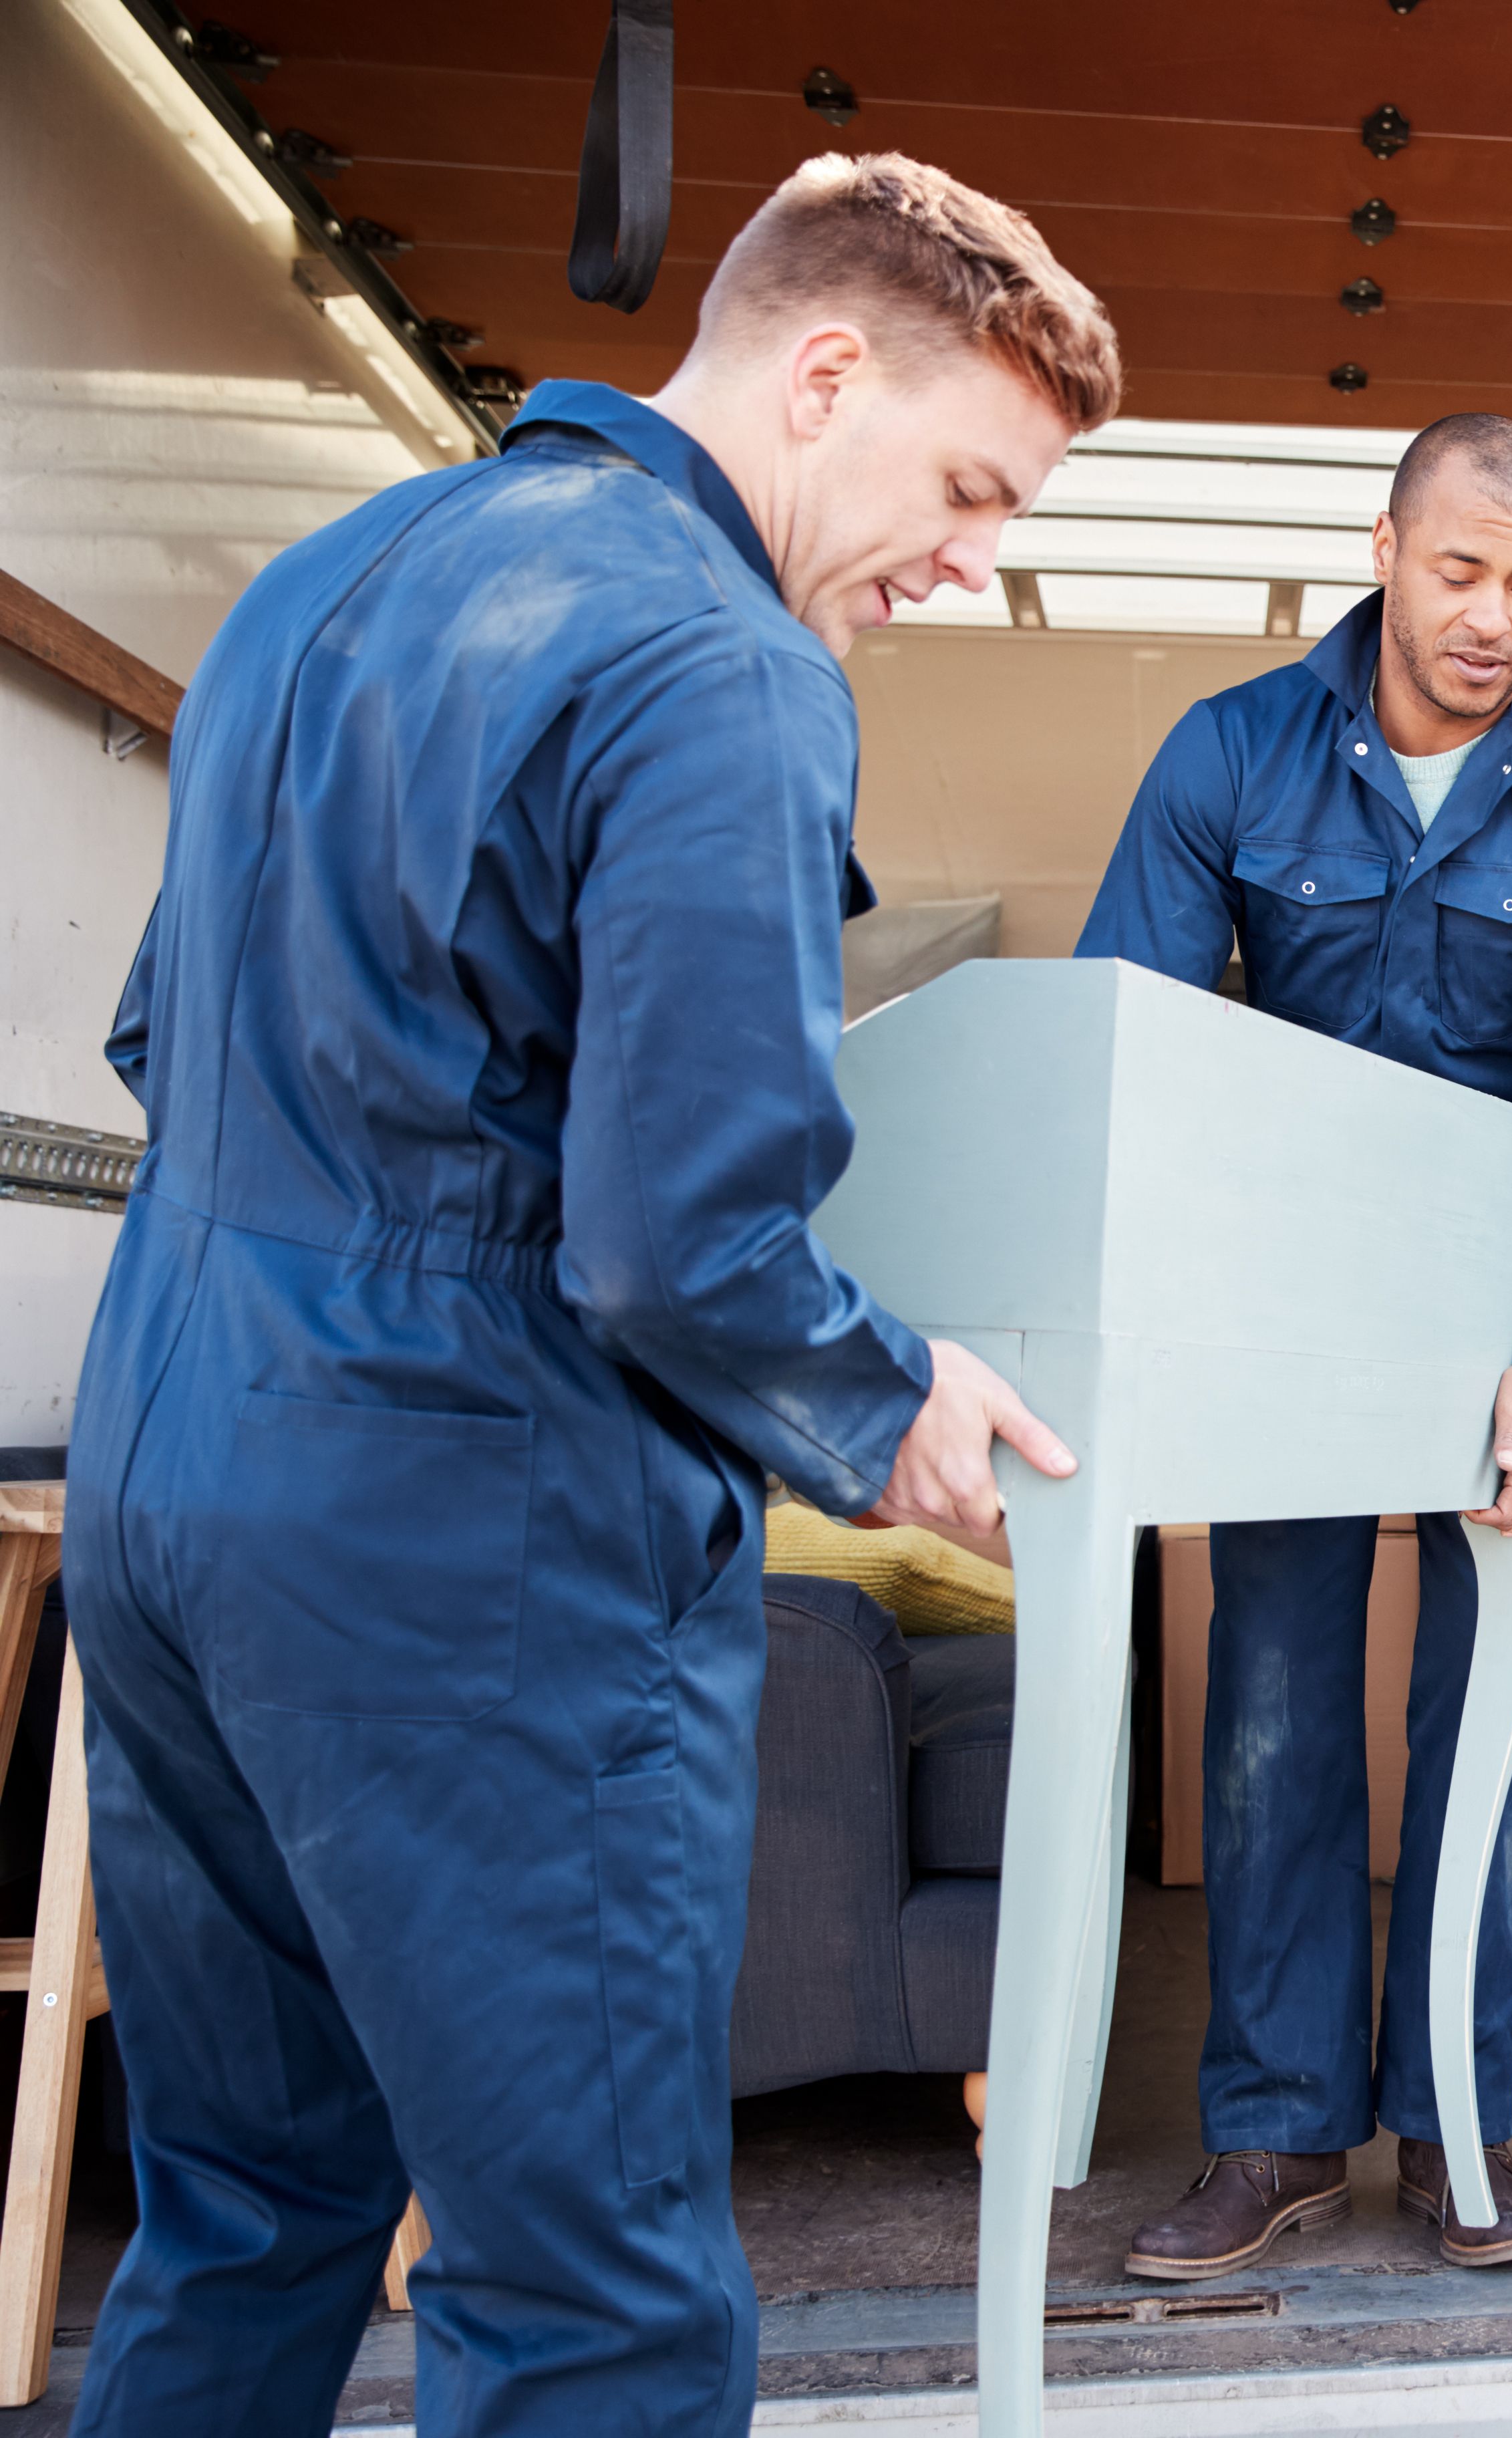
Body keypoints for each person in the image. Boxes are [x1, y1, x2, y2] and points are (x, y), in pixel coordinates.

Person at [61, 155, 1119, 2436]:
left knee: (241, 2205)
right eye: (966, 484)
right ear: (821, 372)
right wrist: (898, 1401)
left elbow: (162, 1041)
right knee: (592, 2294)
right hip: (461, 1541)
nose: (971, 556)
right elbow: (683, 1241)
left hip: (160, 1453)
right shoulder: (722, 666)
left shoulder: (323, 581)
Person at [1078, 413, 1512, 2275]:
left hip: (1500, 1318)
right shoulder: (1231, 756)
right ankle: (1275, 2134)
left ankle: (1448, 2121)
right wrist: (1167, 1318)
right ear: (1385, 546)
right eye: (1460, 570)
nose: (1495, 616)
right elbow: (1144, 1049)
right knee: (1270, 1704)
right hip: (1284, 1304)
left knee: (1490, 1716)